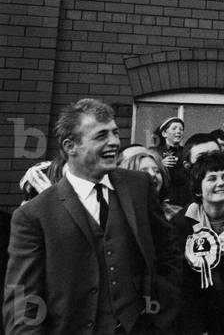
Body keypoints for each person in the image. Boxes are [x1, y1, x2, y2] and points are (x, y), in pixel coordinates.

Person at [2, 98, 179, 334]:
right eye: (101, 136)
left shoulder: (139, 187)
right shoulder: (33, 215)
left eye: (115, 133)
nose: (114, 142)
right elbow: (22, 301)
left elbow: (168, 252)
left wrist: (161, 318)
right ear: (70, 146)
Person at [172, 151, 224, 335]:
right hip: (203, 313)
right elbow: (182, 284)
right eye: (212, 178)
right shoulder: (182, 222)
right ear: (197, 189)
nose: (221, 183)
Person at [119, 146, 182, 221]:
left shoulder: (178, 214)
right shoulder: (118, 215)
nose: (153, 174)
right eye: (144, 171)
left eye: (157, 171)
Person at [168, 132, 222, 207]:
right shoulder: (176, 199)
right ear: (187, 165)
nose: (211, 161)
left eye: (215, 155)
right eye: (201, 157)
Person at [152, 116, 187, 207]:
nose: (178, 131)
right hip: (158, 199)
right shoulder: (154, 152)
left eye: (181, 129)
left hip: (180, 200)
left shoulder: (187, 152)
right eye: (174, 128)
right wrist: (161, 165)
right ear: (164, 133)